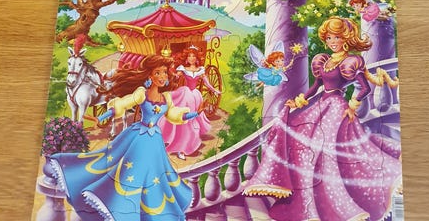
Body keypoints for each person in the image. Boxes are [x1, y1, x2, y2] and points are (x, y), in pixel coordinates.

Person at [243, 16, 401, 221]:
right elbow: (316, 86)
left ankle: (333, 200)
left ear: (345, 38)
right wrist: (300, 101)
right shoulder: (323, 61)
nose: (332, 42)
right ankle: (304, 195)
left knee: (327, 151)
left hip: (337, 108)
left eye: (336, 37)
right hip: (321, 103)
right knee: (301, 140)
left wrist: (353, 104)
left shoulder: (349, 62)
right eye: (329, 38)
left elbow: (365, 88)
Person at [50, 54, 195, 221]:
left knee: (154, 175)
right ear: (149, 76)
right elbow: (123, 104)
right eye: (157, 73)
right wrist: (103, 116)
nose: (162, 76)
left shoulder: (166, 97)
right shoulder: (142, 93)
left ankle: (149, 211)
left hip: (155, 141)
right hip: (138, 137)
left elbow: (173, 113)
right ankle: (119, 206)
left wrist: (190, 115)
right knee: (129, 170)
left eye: (164, 72)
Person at [159, 46, 218, 160]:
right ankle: (176, 142)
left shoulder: (200, 69)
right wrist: (172, 73)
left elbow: (206, 82)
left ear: (197, 58)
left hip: (195, 95)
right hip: (185, 94)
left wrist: (214, 89)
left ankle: (185, 145)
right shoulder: (183, 69)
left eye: (193, 56)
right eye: (189, 56)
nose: (191, 58)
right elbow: (176, 76)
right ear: (186, 58)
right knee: (181, 118)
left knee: (191, 121)